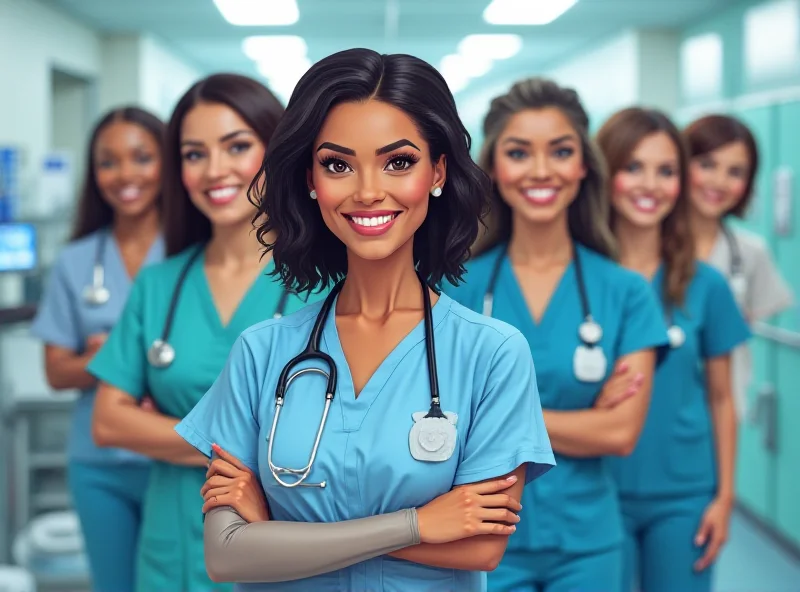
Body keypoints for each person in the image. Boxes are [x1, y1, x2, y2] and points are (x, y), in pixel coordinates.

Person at [174, 48, 556, 591]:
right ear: (310, 179)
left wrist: (282, 531)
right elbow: (227, 556)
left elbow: (481, 545)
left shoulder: (491, 353)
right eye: (338, 164)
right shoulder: (261, 352)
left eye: (398, 161)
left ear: (438, 172)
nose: (367, 190)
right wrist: (419, 524)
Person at [87, 74, 312, 592]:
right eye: (194, 154)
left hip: (285, 545)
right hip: (173, 549)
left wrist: (169, 433)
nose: (215, 170)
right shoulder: (159, 285)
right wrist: (254, 450)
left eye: (237, 146)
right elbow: (108, 422)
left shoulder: (325, 283)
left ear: (276, 151)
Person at [444, 78, 670, 592]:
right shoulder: (451, 290)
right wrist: (582, 422)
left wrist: (495, 418)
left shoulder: (626, 292)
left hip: (587, 543)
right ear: (494, 169)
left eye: (560, 151)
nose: (541, 171)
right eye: (519, 152)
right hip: (478, 540)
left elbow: (620, 433)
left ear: (583, 166)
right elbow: (432, 426)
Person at [597, 107, 751, 592]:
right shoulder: (579, 281)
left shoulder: (706, 285)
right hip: (595, 487)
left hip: (684, 494)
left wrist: (724, 497)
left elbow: (722, 398)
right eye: (633, 167)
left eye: (666, 171)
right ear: (604, 174)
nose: (651, 185)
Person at [30, 106, 166, 592]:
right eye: (108, 162)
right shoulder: (76, 260)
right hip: (98, 462)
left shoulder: (195, 252)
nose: (125, 175)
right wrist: (131, 355)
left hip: (174, 455)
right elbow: (56, 371)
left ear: (167, 162)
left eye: (141, 158)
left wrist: (109, 353)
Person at [683, 114, 792, 419]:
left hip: (723, 408)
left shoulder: (751, 252)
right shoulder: (648, 247)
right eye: (707, 165)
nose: (719, 181)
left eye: (735, 172)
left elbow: (748, 320)